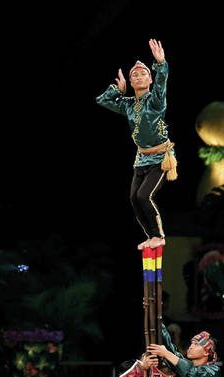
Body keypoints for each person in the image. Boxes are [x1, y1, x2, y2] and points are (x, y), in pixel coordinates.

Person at [96, 39, 176, 250]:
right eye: (135, 75)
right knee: (133, 198)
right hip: (141, 157)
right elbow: (102, 101)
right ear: (131, 83)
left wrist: (160, 63)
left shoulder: (156, 100)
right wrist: (118, 90)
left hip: (160, 156)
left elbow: (162, 82)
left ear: (150, 79)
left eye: (143, 73)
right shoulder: (129, 105)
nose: (139, 76)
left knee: (143, 195)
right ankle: (150, 236)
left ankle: (159, 235)